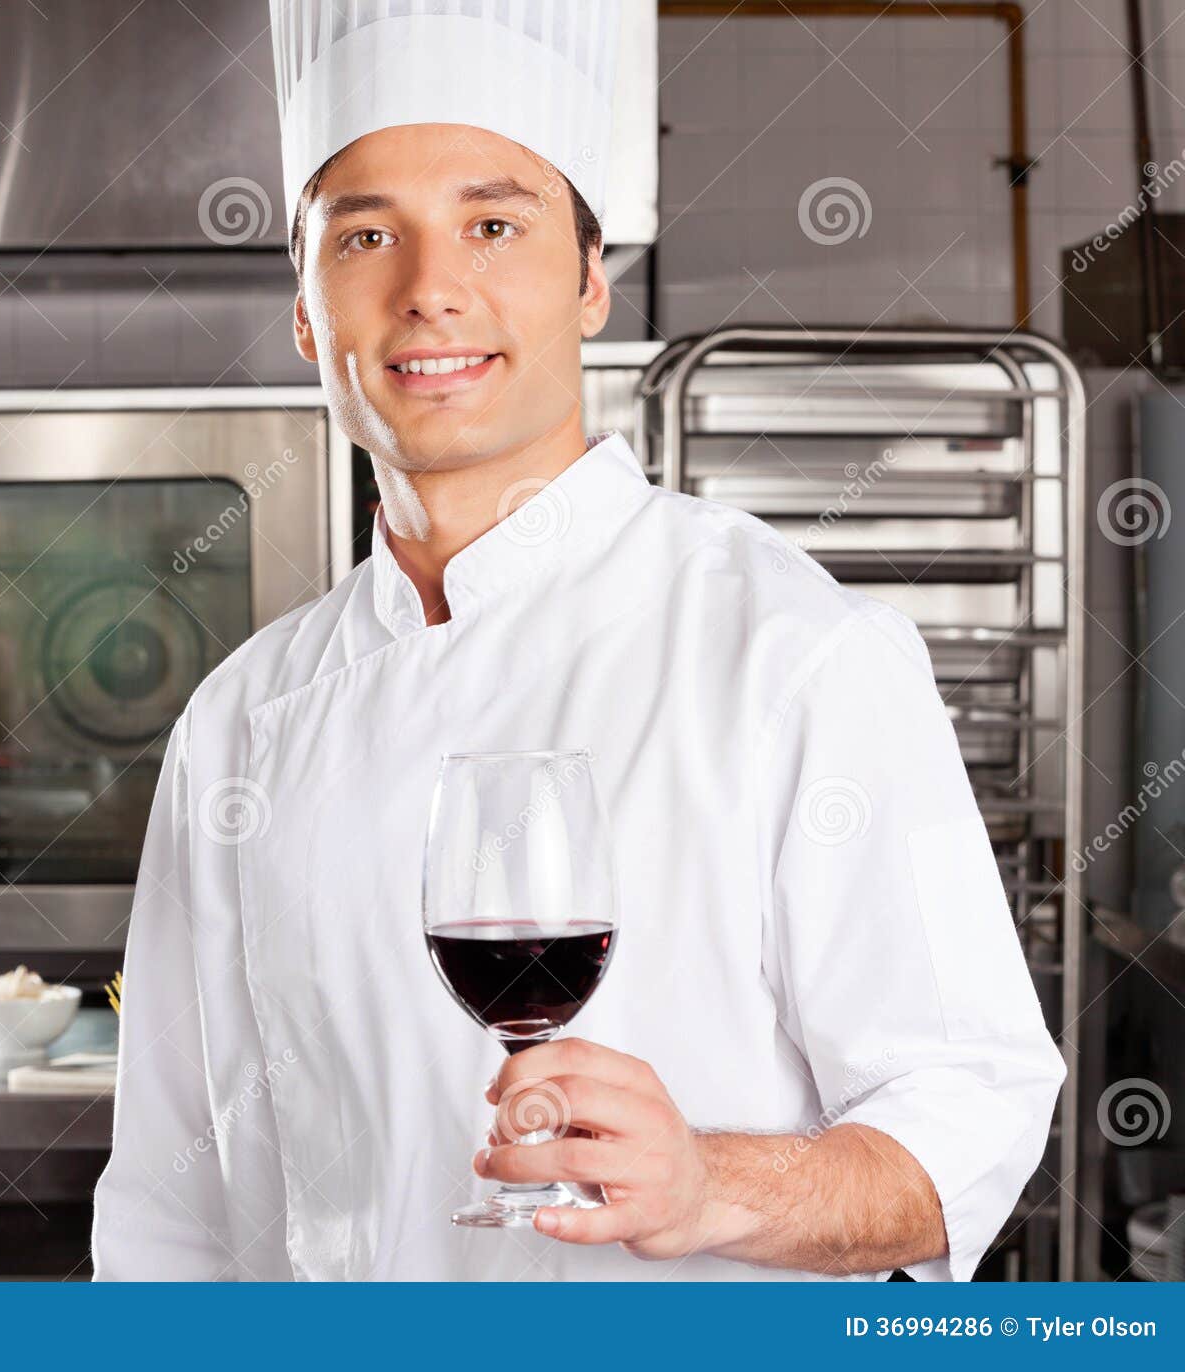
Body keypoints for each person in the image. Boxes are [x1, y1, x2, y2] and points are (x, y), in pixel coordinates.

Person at [91, 0, 1065, 1281]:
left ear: (592, 280)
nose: (431, 288)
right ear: (304, 311)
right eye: (366, 235)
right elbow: (173, 1209)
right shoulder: (239, 719)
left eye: (494, 225)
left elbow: (967, 1125)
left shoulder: (796, 653)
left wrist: (712, 1184)